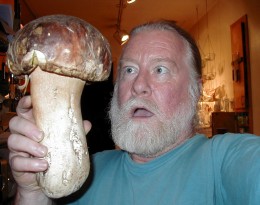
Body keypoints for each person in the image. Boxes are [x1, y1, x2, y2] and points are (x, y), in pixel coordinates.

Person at [7, 20, 260, 205]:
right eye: (129, 70)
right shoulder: (88, 171)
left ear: (197, 89)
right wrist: (32, 192)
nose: (138, 85)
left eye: (160, 69)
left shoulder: (224, 162)